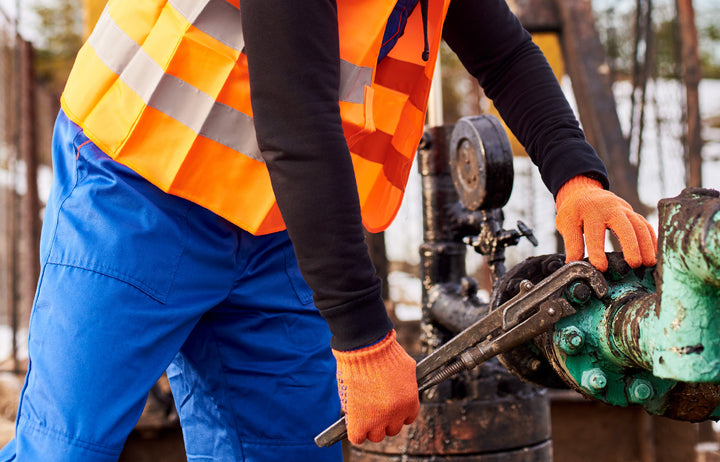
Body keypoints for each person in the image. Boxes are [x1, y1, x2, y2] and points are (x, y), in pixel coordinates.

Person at [0, 0, 657, 461]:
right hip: (143, 189)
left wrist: (579, 180)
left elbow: (506, 55)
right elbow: (296, 119)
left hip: (284, 225)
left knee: (280, 453)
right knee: (65, 447)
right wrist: (364, 342)